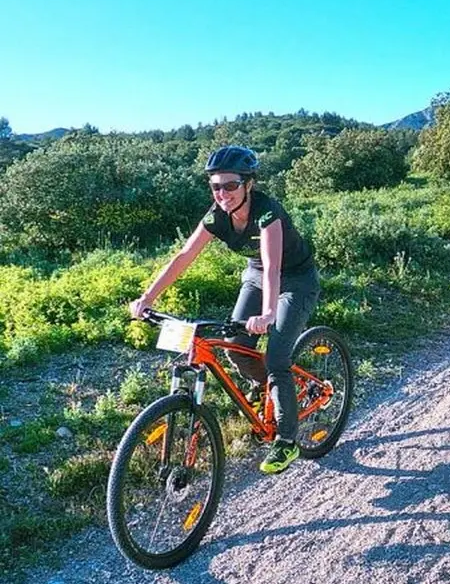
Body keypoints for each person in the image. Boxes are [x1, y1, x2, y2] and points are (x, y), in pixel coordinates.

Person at [129, 145, 320, 475]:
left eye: (230, 185)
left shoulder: (267, 212)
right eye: (215, 186)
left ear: (248, 184)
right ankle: (269, 390)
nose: (222, 193)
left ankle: (287, 440)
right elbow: (184, 257)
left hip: (296, 280)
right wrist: (147, 298)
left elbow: (275, 266)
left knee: (276, 358)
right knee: (237, 349)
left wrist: (268, 313)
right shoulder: (216, 216)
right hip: (257, 276)